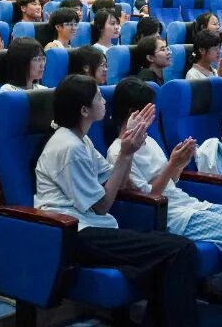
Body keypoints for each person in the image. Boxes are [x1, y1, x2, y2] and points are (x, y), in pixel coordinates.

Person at [109, 77, 222, 327]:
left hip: (188, 203)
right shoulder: (120, 150)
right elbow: (148, 199)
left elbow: (171, 182)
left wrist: (178, 163)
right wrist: (172, 165)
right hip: (170, 215)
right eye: (148, 111)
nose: (153, 117)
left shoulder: (147, 141)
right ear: (132, 113)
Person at [34, 74, 200, 327]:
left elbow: (115, 179)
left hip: (93, 227)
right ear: (84, 109)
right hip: (75, 233)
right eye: (98, 97)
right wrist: (124, 153)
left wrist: (129, 147)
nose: (104, 101)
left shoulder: (82, 139)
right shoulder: (69, 147)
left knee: (174, 253)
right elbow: (101, 206)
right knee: (180, 249)